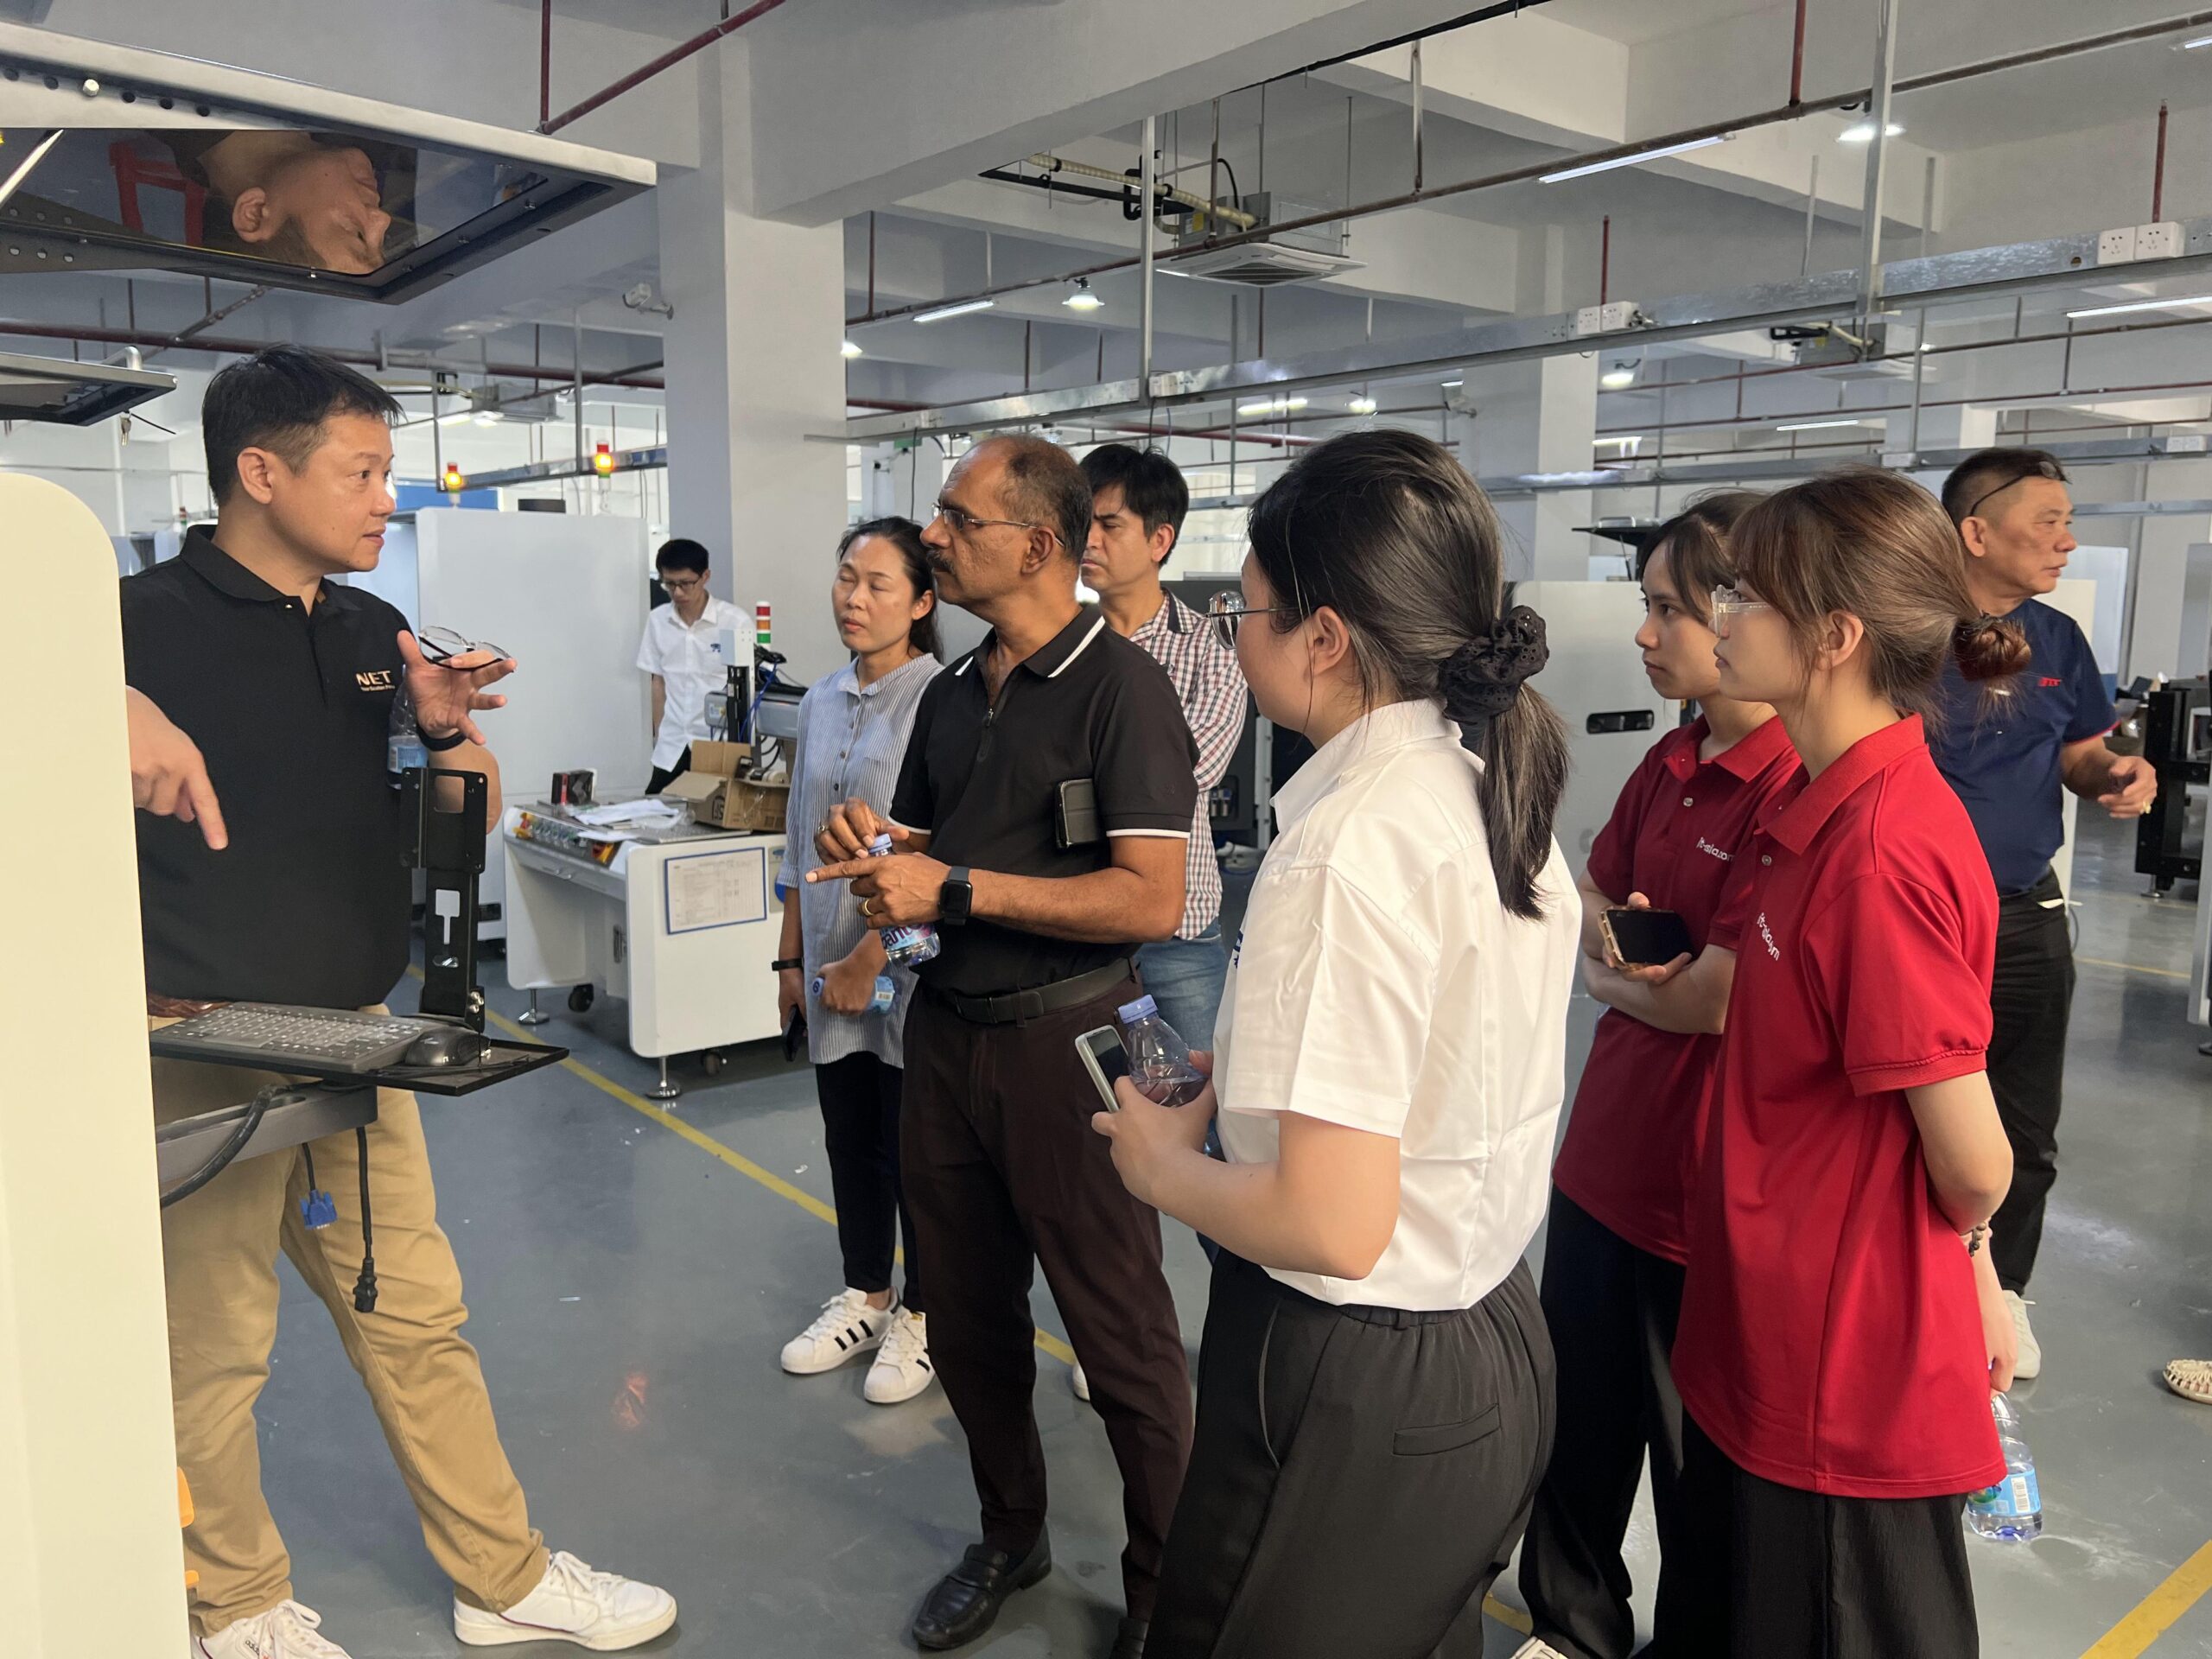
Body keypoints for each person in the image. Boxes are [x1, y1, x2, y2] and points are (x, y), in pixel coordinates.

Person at [124, 346, 673, 1659]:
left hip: (358, 1042)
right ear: (261, 473)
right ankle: (235, 1606)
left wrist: (437, 727)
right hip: (196, 1039)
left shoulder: (374, 631)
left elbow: (470, 815)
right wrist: (101, 697)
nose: (389, 499)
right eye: (363, 472)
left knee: (418, 1320)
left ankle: (502, 1577)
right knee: (213, 1353)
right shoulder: (129, 622)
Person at [1092, 429, 1578, 1659]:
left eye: (1244, 611)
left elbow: (1329, 1224)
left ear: (1322, 638)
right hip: (1489, 1334)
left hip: (1351, 1373)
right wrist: (1260, 1090)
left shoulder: (1342, 847)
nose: (1231, 638)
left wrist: (1158, 1170)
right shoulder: (1485, 788)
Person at [805, 435, 1198, 1659]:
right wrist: (879, 856)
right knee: (970, 1324)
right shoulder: (953, 694)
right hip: (948, 1046)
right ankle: (1009, 1534)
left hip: (1074, 1048)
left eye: (956, 519)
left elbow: (1151, 900)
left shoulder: (1122, 690)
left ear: (1036, 544)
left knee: (1121, 1338)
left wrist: (955, 889)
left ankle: (1164, 1588)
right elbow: (928, 855)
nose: (933, 536)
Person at [1669, 469, 2024, 1656]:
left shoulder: (1879, 854)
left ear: (1834, 637)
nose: (1720, 614)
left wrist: (1971, 1265)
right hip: (1767, 1332)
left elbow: (1975, 1163)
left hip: (1840, 1380)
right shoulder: (1819, 812)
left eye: (1744, 593)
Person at [1515, 493, 1800, 1659]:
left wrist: (1616, 974)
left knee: (1698, 1466)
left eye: (1668, 609)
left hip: (1705, 1194)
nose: (1645, 633)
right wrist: (1629, 966)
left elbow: (1715, 1000)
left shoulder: (1793, 786)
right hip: (1604, 1162)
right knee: (1578, 1426)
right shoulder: (1668, 761)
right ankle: (1570, 1628)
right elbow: (1590, 903)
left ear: (1747, 609)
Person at [1934, 448, 2158, 1380]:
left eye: (2069, 522)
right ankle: (1914, 1289)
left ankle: (2004, 1294)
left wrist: (2115, 774)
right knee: (1904, 1113)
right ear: (1976, 532)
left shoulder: (2057, 638)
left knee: (2022, 1126)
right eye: (2049, 520)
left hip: (2023, 915)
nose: (2067, 540)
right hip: (1918, 919)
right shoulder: (1901, 630)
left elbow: (2078, 754)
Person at [772, 517, 944, 1405]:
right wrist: (791, 958)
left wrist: (867, 958)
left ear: (921, 602)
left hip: (907, 965)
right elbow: (799, 831)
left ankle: (926, 1313)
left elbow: (935, 847)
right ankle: (867, 1295)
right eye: (847, 577)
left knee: (917, 1146)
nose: (855, 597)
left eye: (879, 583)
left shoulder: (940, 698)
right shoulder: (820, 699)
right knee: (851, 1137)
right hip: (828, 957)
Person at [1078, 444, 1246, 1046]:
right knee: (1083, 1096)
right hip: (1078, 927)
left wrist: (1080, 772)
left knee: (1197, 1093)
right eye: (1082, 522)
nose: (1088, 540)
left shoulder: (1209, 648)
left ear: (1159, 539)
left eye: (1109, 524)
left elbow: (1187, 775)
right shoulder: (1063, 648)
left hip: (1178, 937)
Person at [162, 130, 404, 273]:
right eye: (384, 243)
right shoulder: (392, 135)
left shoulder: (177, 85)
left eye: (357, 234)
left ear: (254, 212)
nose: (382, 219)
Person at [637, 537, 744, 793]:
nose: (677, 593)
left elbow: (747, 686)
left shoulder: (733, 622)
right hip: (672, 745)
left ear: (705, 576)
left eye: (685, 584)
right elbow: (658, 681)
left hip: (716, 744)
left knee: (711, 811)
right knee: (654, 805)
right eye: (669, 584)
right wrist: (659, 732)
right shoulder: (658, 621)